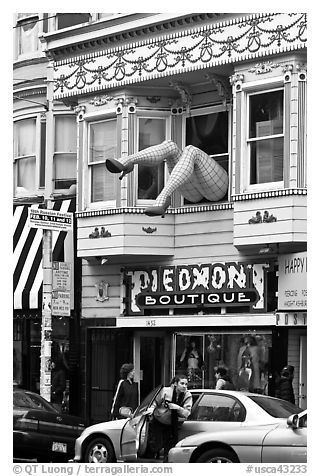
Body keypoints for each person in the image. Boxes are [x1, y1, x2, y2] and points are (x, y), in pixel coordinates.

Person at [105, 140, 228, 216]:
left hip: (217, 189)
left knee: (191, 150)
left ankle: (163, 197)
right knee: (171, 145)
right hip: (192, 193)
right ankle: (128, 160)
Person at [147, 374, 192, 462]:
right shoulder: (165, 391)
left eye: (186, 384)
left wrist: (178, 408)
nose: (184, 386)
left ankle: (167, 463)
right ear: (175, 383)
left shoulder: (187, 395)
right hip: (159, 421)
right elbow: (155, 402)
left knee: (170, 447)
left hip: (173, 424)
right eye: (182, 383)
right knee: (156, 445)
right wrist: (151, 410)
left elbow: (187, 413)